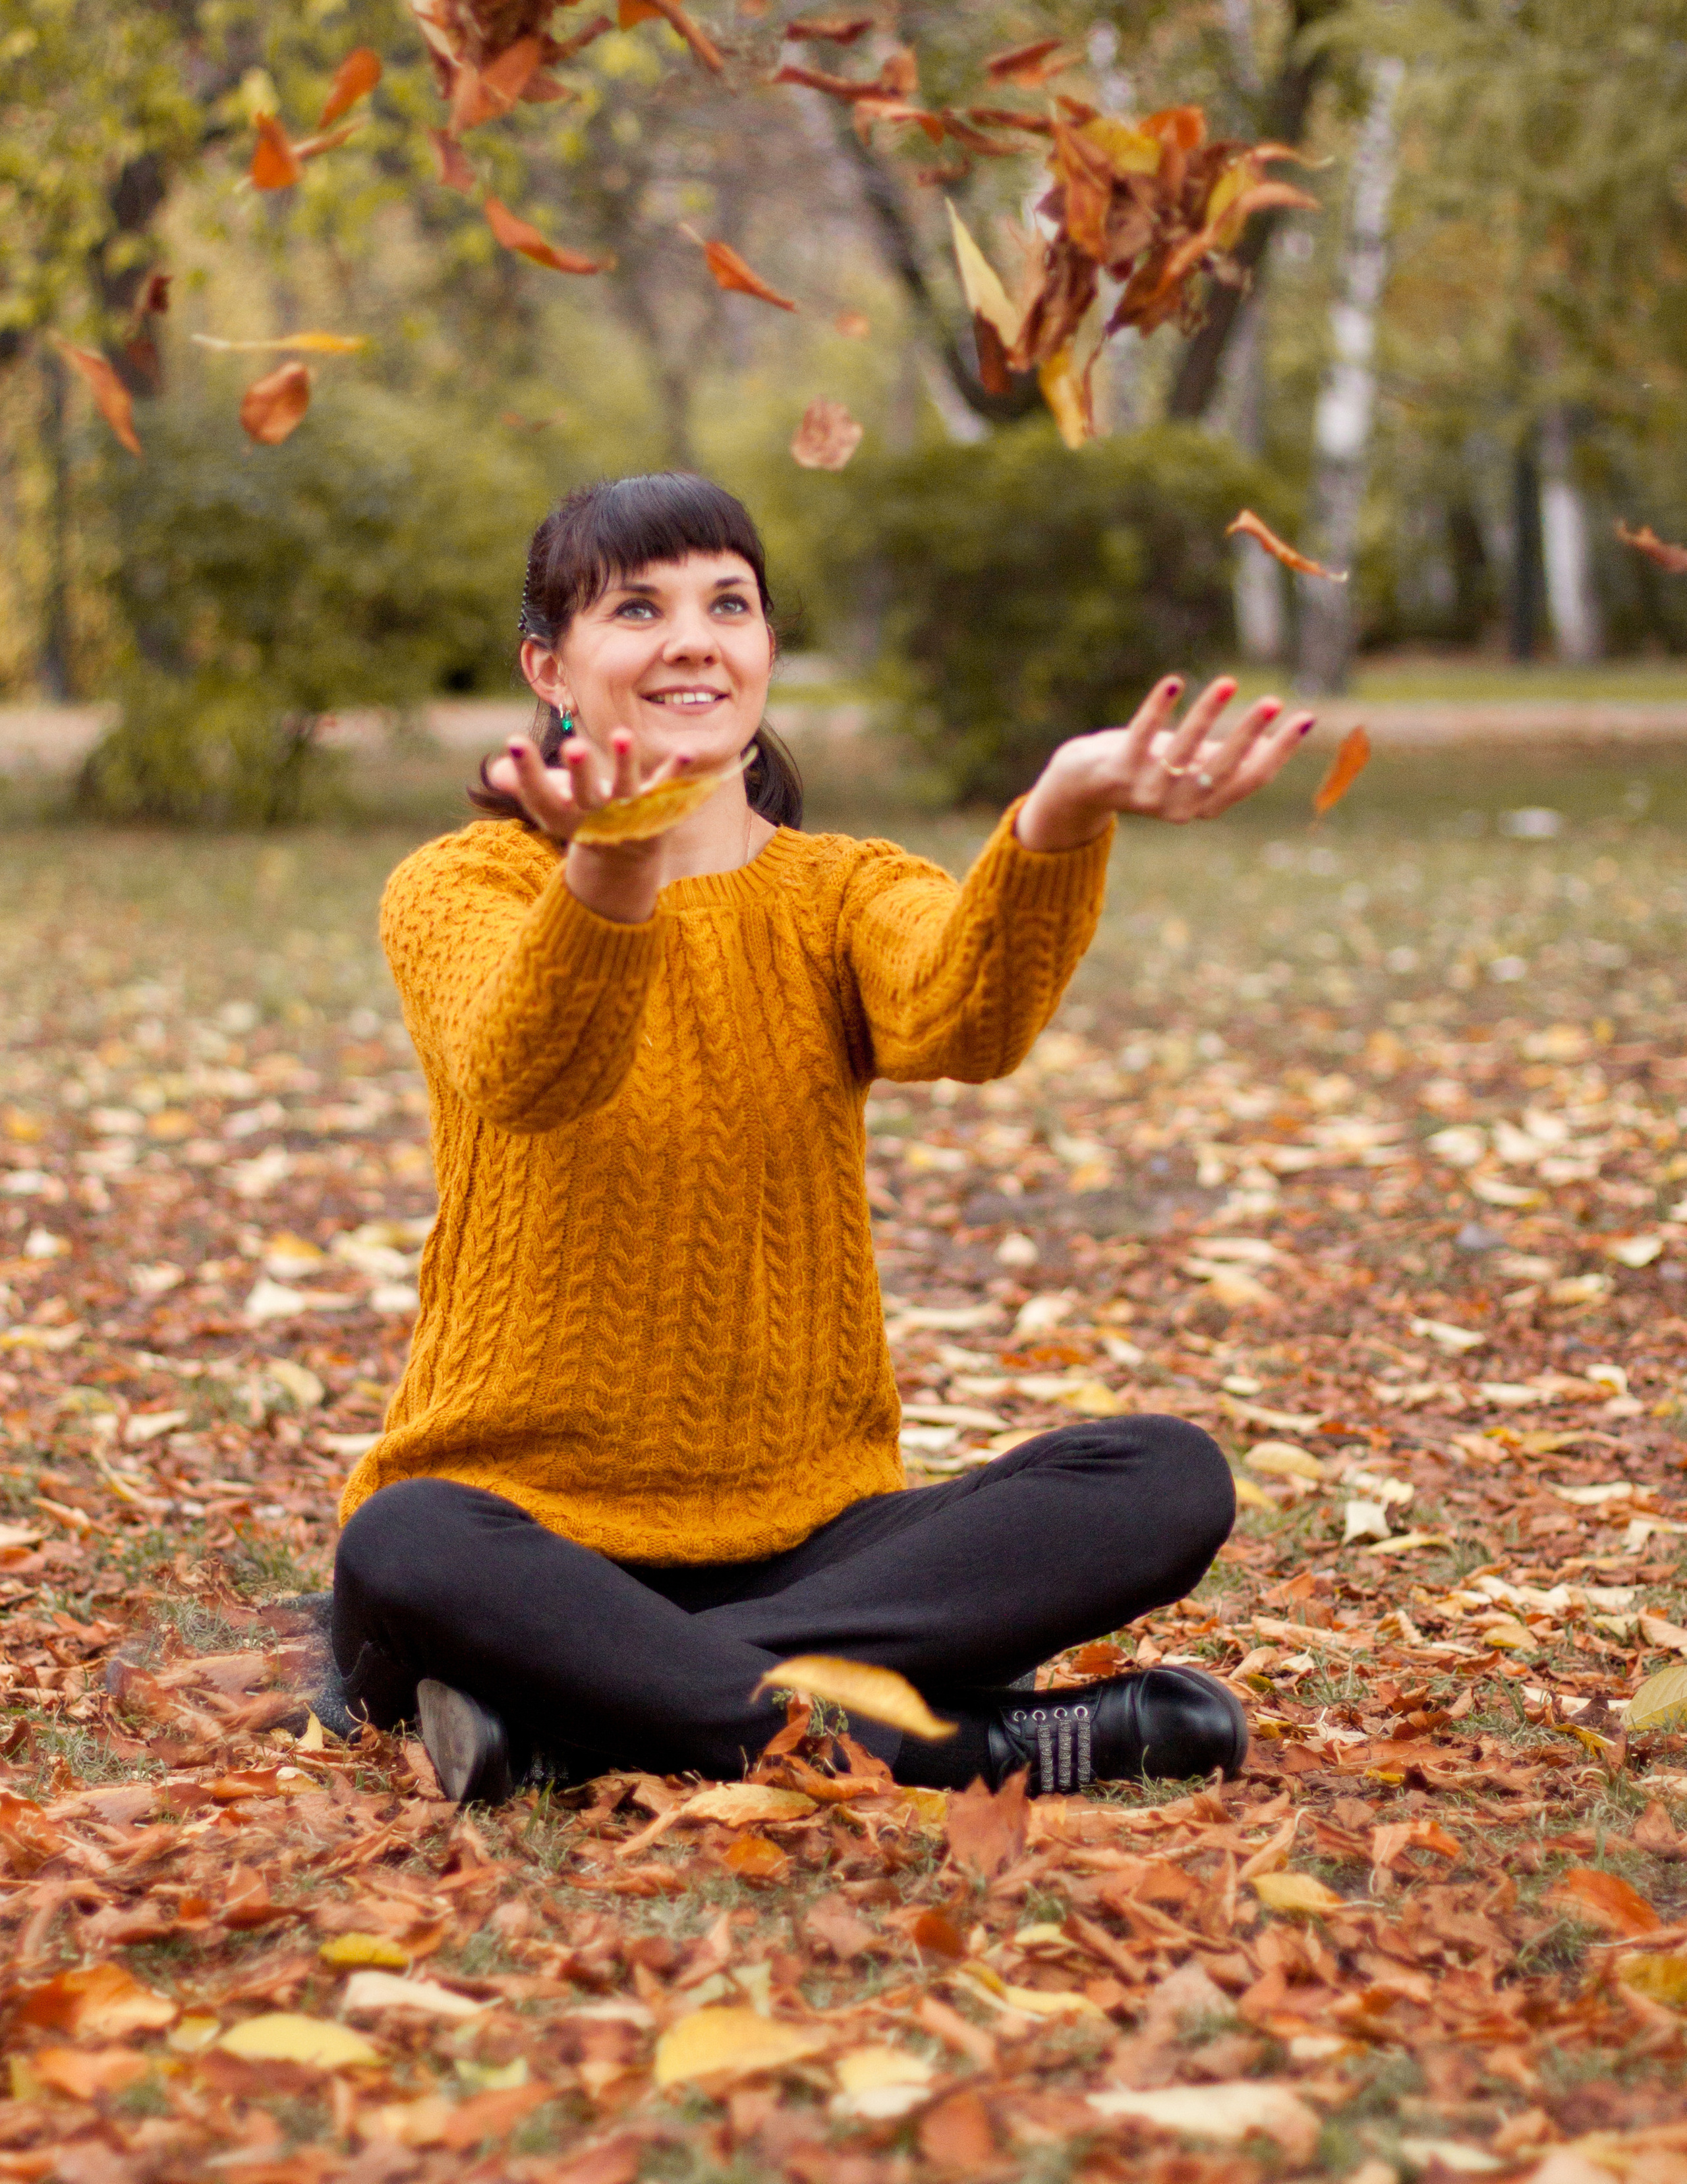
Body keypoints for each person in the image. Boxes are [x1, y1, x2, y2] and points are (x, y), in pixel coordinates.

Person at [327, 471, 1315, 1806]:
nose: (692, 637)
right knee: (406, 1538)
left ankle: (578, 1717)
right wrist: (609, 866)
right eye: (637, 607)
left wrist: (1063, 808)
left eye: (727, 603)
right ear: (549, 667)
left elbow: (966, 1015)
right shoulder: (460, 887)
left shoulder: (839, 890)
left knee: (1160, 1477)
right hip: (519, 1538)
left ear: (766, 652)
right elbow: (531, 1069)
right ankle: (954, 1746)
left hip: (810, 1546)